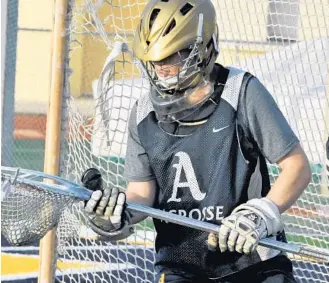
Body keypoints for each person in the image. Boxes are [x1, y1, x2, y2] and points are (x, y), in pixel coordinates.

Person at [82, 0, 312, 282]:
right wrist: (117, 214)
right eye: (155, 60)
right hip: (182, 266)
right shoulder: (143, 114)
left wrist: (261, 214)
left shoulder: (242, 93)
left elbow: (297, 166)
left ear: (200, 50)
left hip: (252, 264)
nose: (160, 68)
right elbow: (142, 192)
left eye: (169, 57)